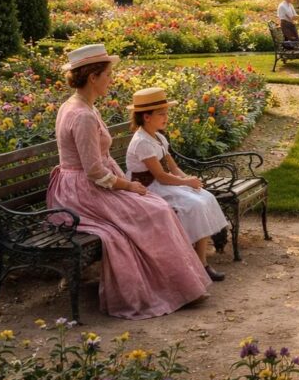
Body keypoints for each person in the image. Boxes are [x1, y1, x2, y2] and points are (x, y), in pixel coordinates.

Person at [47, 45, 211, 319]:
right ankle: (166, 287)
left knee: (155, 206)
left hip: (84, 185)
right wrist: (130, 186)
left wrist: (127, 186)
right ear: (92, 77)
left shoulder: (81, 105)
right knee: (154, 211)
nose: (112, 80)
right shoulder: (82, 114)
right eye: (108, 75)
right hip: (81, 193)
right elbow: (94, 172)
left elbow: (98, 163)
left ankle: (180, 283)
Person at [126, 87, 228, 282]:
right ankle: (199, 263)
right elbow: (160, 175)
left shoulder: (158, 137)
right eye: (161, 114)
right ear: (146, 117)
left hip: (163, 184)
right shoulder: (142, 142)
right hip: (147, 189)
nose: (166, 117)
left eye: (166, 113)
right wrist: (184, 182)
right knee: (193, 205)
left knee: (205, 197)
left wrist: (189, 182)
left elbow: (173, 168)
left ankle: (200, 259)